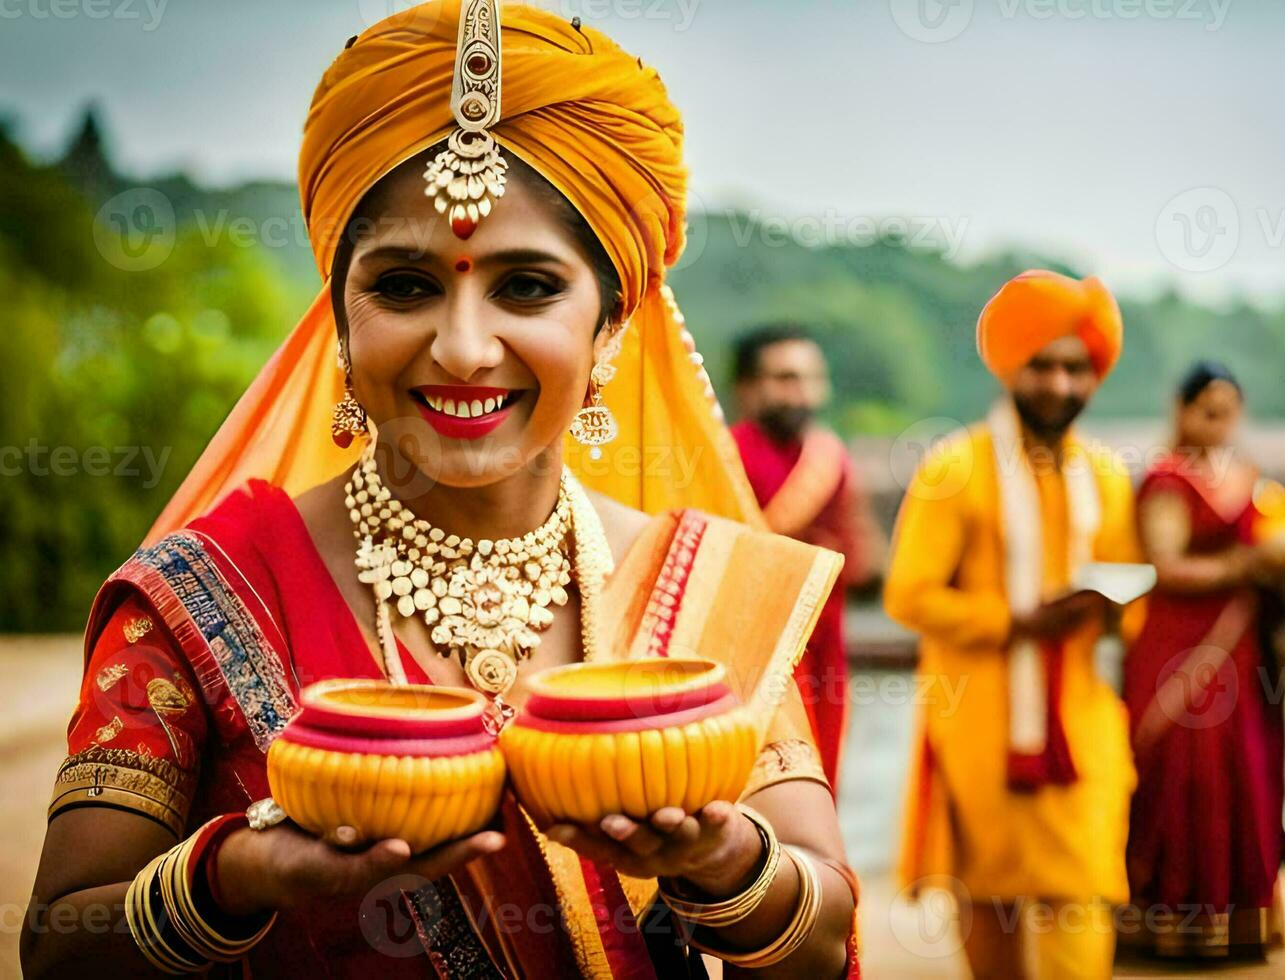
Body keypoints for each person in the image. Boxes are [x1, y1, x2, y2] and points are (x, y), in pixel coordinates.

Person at [22, 4, 859, 977]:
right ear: (339, 320)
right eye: (406, 285)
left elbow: (824, 934)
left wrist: (723, 859)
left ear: (610, 330)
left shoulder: (711, 590)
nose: (462, 347)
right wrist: (239, 873)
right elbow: (60, 942)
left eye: (529, 286)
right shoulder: (201, 595)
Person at [884, 270, 1142, 979]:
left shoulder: (1108, 475)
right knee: (987, 892)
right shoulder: (954, 468)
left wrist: (1117, 606)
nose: (1060, 385)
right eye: (1043, 365)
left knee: (1084, 888)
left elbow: (1133, 595)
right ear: (1009, 369)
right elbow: (909, 596)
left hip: (1082, 720)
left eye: (1076, 368)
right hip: (978, 720)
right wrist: (1016, 620)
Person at [1121, 361, 1285, 959]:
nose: (1218, 425)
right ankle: (1161, 920)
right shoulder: (1168, 479)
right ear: (1182, 410)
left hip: (1237, 648)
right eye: (1207, 412)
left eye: (1229, 413)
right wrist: (1243, 569)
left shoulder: (1246, 476)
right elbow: (1165, 565)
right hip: (1177, 644)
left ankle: (1236, 918)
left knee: (1237, 770)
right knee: (1178, 770)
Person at [729, 325, 882, 789]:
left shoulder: (828, 456)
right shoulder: (725, 456)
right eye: (785, 379)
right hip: (750, 649)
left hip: (823, 650)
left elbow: (865, 565)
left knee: (821, 770)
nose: (802, 393)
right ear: (748, 389)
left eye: (812, 379)